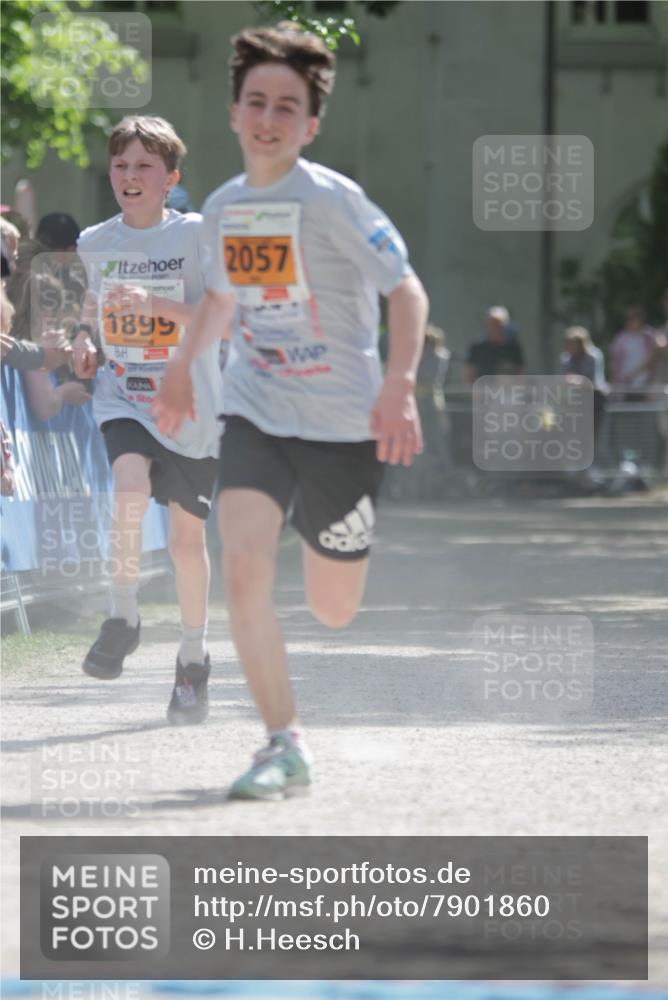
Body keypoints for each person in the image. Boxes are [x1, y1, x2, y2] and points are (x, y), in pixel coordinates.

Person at [152, 22, 429, 799]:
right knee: (243, 568)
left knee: (331, 607)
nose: (269, 117)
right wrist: (179, 367)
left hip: (344, 426)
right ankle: (284, 743)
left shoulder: (333, 201)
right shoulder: (223, 207)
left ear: (309, 125)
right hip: (257, 412)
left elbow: (405, 291)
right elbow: (218, 301)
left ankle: (334, 564)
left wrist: (399, 383)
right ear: (235, 113)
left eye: (287, 106)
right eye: (256, 102)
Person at [71, 115, 224, 724]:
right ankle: (123, 615)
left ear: (170, 179)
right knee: (128, 491)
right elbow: (93, 307)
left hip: (190, 403)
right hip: (126, 392)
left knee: (187, 542)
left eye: (143, 167)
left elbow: (222, 318)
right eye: (120, 166)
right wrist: (85, 338)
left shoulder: (195, 236)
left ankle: (193, 659)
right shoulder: (94, 242)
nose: (130, 177)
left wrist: (155, 304)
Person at [464, 305, 524, 384]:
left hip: (508, 392)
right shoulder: (477, 346)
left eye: (498, 324)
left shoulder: (514, 347)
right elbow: (469, 372)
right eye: (491, 323)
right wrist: (474, 391)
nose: (494, 327)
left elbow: (520, 371)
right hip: (483, 392)